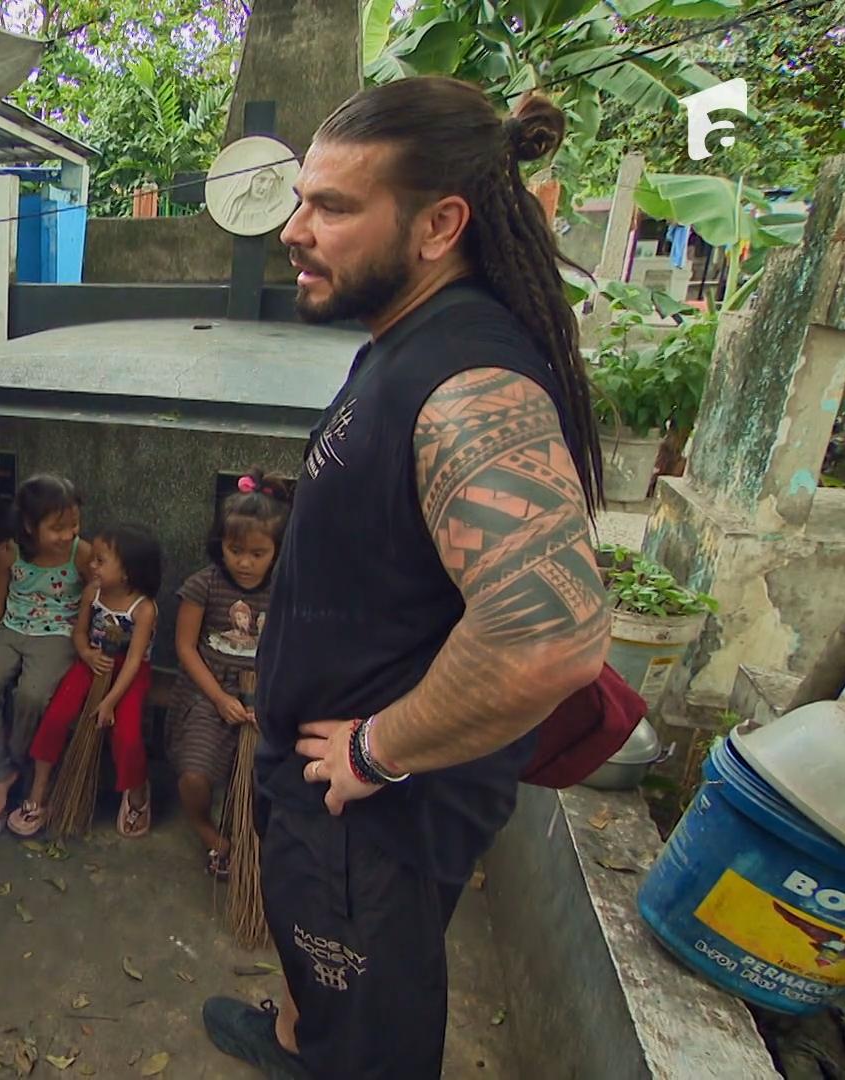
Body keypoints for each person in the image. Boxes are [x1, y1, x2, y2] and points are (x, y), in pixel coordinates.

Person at [201, 79, 609, 1079]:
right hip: (320, 785)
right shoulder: (406, 338)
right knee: (319, 973)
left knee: (372, 1035)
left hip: (367, 813)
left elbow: (550, 634)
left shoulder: (469, 382)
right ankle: (297, 1040)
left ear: (438, 226)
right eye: (302, 199)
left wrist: (379, 750)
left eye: (333, 208)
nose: (294, 231)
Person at [0, 474, 94, 853]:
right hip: (13, 626)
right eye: (57, 527)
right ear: (30, 525)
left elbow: (96, 599)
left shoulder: (81, 553)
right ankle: (0, 773)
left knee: (32, 696)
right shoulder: (8, 552)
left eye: (74, 524)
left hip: (58, 634)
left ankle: (12, 764)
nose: (68, 534)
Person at [169, 472, 291, 878]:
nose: (244, 562)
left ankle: (252, 837)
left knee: (262, 777)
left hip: (266, 694)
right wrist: (221, 700)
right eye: (235, 550)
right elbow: (186, 648)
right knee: (194, 774)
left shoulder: (286, 590)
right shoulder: (203, 585)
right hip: (210, 691)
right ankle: (210, 832)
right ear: (219, 543)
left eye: (258, 553)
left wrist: (270, 699)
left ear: (277, 550)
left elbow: (294, 651)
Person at [8, 523, 162, 839]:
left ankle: (136, 791)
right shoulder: (92, 593)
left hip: (128, 674)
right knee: (55, 717)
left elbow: (134, 661)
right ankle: (40, 789)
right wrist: (87, 654)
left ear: (127, 573)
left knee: (127, 735)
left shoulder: (143, 609)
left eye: (100, 561)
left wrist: (109, 701)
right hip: (91, 662)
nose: (91, 565)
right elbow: (79, 633)